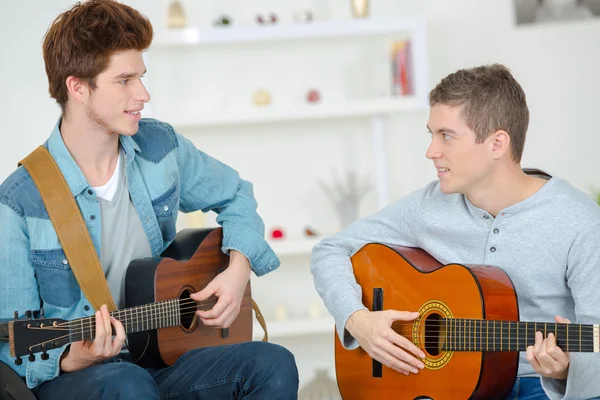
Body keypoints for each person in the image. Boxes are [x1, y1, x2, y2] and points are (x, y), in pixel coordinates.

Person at [0, 1, 299, 399]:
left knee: (273, 363)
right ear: (77, 87)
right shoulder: (19, 201)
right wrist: (75, 357)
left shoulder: (161, 147)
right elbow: (12, 343)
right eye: (124, 81)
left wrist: (237, 270)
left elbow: (237, 194)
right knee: (127, 382)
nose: (143, 94)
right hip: (78, 379)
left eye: (141, 77)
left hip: (162, 354)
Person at [311, 64, 600, 400]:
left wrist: (565, 372)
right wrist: (358, 320)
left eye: (446, 135)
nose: (431, 151)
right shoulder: (429, 205)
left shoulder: (581, 222)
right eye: (431, 134)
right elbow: (330, 250)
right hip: (448, 387)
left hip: (541, 388)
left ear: (497, 143)